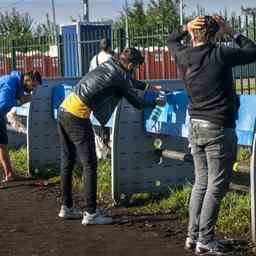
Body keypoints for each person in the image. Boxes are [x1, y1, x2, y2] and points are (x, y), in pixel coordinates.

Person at [168, 15, 256, 255]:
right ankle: (205, 240)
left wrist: (184, 29)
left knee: (201, 184)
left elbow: (172, 41)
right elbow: (252, 51)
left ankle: (192, 235)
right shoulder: (221, 53)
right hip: (218, 127)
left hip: (194, 125)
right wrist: (231, 31)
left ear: (194, 34)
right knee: (216, 187)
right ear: (215, 34)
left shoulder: (184, 55)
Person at [57, 47, 165, 225]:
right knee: (90, 164)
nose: (135, 70)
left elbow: (128, 81)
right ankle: (91, 213)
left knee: (68, 161)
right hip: (77, 116)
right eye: (136, 67)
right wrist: (155, 102)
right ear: (130, 64)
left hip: (63, 110)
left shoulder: (110, 64)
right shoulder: (119, 77)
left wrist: (148, 86)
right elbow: (137, 102)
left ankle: (66, 207)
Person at [0, 70, 42, 182]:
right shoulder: (11, 82)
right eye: (32, 86)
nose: (33, 90)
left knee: (2, 144)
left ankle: (9, 174)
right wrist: (20, 101)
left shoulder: (18, 84)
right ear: (27, 79)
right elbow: (3, 103)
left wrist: (21, 99)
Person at [89, 38, 114, 160]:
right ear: (109, 47)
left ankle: (100, 153)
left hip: (95, 93)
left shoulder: (95, 59)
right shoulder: (110, 59)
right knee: (109, 123)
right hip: (107, 95)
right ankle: (109, 152)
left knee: (98, 124)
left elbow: (90, 74)